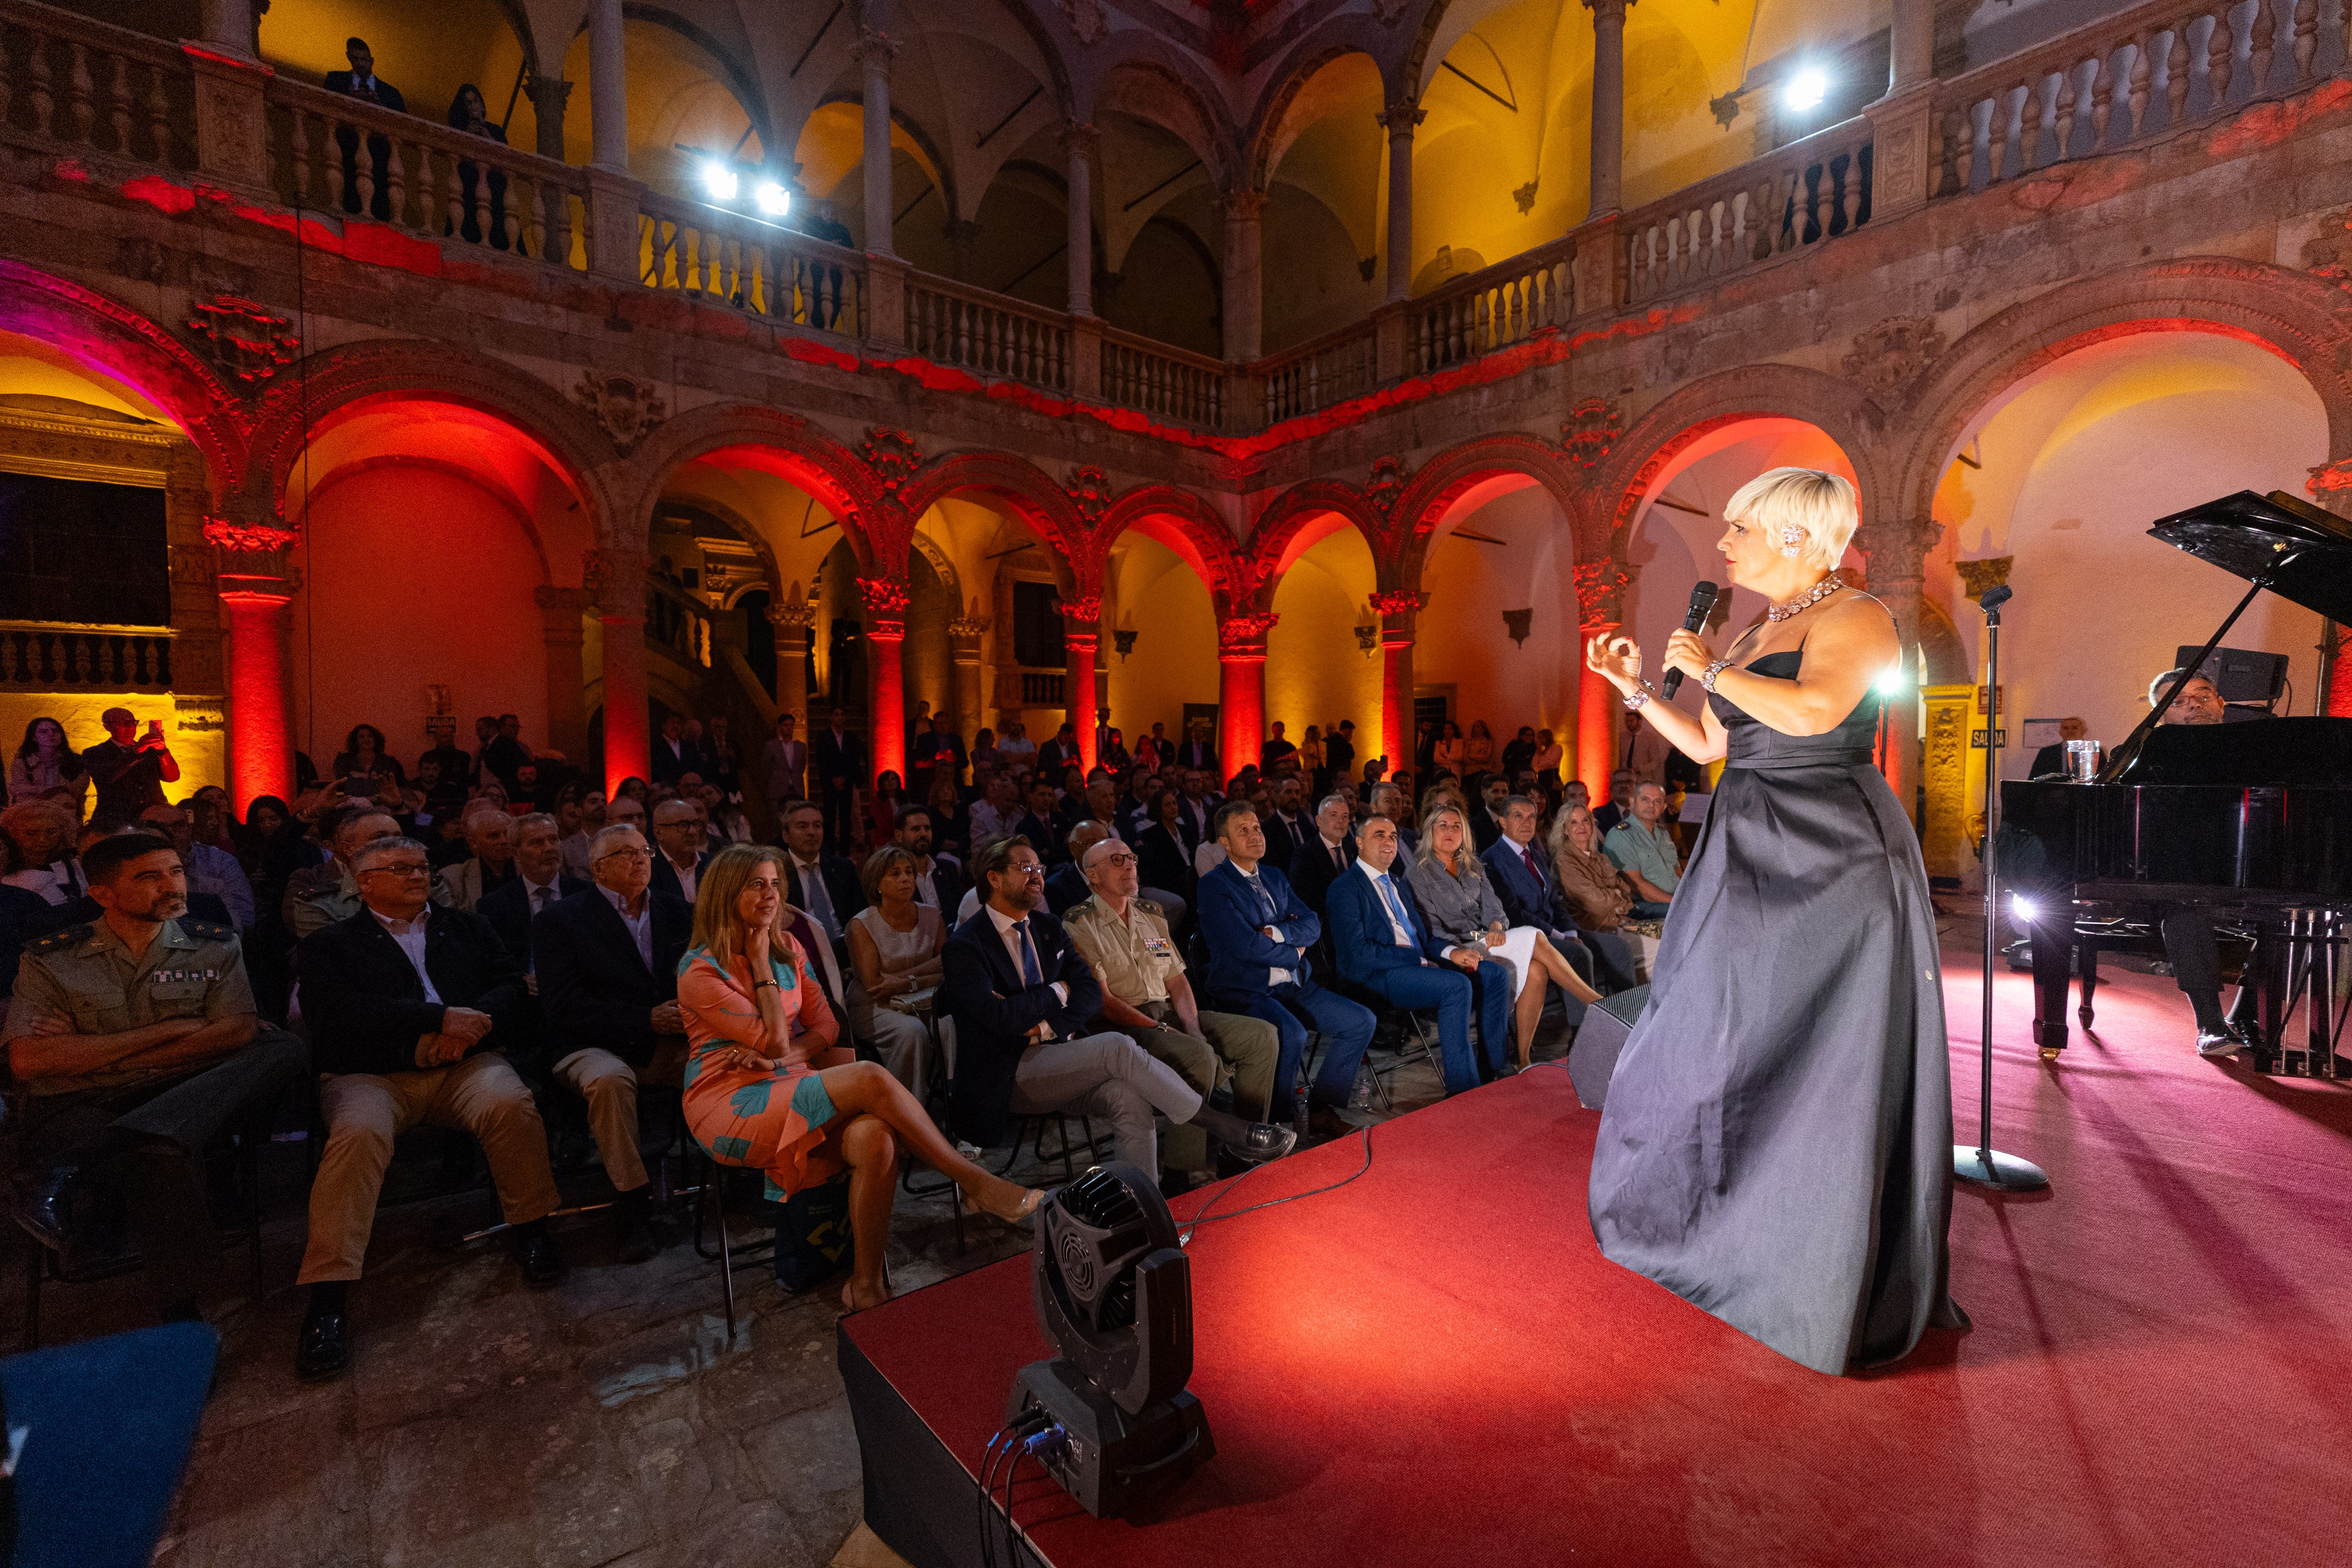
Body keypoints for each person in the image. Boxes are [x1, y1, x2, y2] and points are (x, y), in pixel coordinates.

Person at [1581, 465, 1963, 1375]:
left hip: (1831, 856)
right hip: (1746, 842)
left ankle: (1809, 1270)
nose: (1724, 543)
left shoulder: (1858, 614)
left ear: (1794, 534)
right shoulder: (1758, 626)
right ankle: (1716, 1231)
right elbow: (1714, 742)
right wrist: (1639, 691)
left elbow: (1817, 709)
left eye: (1740, 528)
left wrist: (1709, 667)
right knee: (1706, 1035)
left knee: (1816, 1055)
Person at [680, 844, 1048, 1312]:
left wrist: (783, 1057)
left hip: (786, 1080)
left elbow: (825, 1026)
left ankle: (866, 1285)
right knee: (871, 1075)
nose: (771, 894)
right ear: (725, 892)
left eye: (775, 884)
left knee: (876, 1138)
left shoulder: (789, 947)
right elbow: (772, 1039)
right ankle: (974, 1181)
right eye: (757, 884)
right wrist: (759, 964)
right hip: (729, 1099)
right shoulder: (699, 969)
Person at [4, 833, 307, 1325]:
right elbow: (29, 1061)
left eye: (176, 871)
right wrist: (168, 1030)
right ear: (102, 893)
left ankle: (176, 1302)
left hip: (177, 1093)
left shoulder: (213, 945)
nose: (172, 886)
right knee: (165, 1143)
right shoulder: (51, 958)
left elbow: (235, 1030)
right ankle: (182, 1309)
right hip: (80, 1106)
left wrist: (88, 1048)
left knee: (280, 1048)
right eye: (149, 876)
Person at [293, 835, 563, 1380]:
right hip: (373, 1073)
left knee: (510, 1102)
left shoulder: (466, 927)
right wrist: (431, 1025)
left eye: (422, 866)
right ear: (365, 882)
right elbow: (338, 1018)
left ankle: (532, 1229)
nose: (418, 875)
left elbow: (511, 988)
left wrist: (467, 1028)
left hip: (462, 1063)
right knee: (358, 1134)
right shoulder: (331, 945)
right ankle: (328, 1293)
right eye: (401, 868)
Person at [943, 836, 1292, 1182]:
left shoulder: (1047, 928)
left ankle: (1143, 1201)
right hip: (1009, 1071)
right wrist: (1058, 990)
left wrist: (1044, 1023)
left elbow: (1087, 997)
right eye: (1024, 867)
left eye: (1038, 867)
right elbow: (1000, 1019)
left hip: (1062, 1051)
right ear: (994, 878)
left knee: (1129, 1097)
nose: (1036, 875)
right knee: (1117, 1046)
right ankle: (1224, 1127)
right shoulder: (965, 945)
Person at [533, 822, 692, 1263]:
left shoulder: (678, 910)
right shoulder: (560, 921)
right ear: (598, 868)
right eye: (626, 853)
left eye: (644, 851)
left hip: (668, 1039)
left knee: (727, 1059)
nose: (640, 859)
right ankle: (633, 1204)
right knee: (609, 1082)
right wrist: (645, 1019)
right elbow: (564, 1005)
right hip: (591, 1042)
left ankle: (741, 1170)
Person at [1066, 837, 1282, 1146]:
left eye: (1131, 858)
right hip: (1124, 1027)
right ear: (1093, 874)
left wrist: (1192, 1027)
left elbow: (1177, 980)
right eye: (1116, 860)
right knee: (1198, 1056)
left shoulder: (1151, 914)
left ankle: (1242, 1144)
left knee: (1262, 1035)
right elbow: (1104, 1002)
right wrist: (1164, 1029)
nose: (1129, 865)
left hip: (1167, 1014)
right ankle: (1185, 1165)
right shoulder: (1080, 923)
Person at [1196, 801, 1375, 1138]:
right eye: (1243, 831)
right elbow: (1247, 947)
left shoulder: (1275, 876)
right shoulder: (1214, 886)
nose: (1255, 835)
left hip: (1293, 985)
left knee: (1360, 1021)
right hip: (1246, 990)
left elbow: (1312, 923)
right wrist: (1294, 952)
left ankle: (1320, 1108)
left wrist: (1277, 933)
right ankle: (1278, 1124)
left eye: (1257, 828)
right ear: (1225, 842)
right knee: (1291, 1033)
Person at [1328, 814, 1512, 1095]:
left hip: (1417, 963)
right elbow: (1358, 954)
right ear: (1360, 842)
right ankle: (1463, 1089)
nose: (1389, 842)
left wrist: (1452, 952)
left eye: (1393, 836)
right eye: (1380, 835)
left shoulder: (1396, 883)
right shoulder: (1345, 888)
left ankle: (1493, 1070)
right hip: (1376, 975)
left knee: (1494, 974)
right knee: (1456, 986)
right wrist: (1418, 960)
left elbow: (1423, 938)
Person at [1409, 801, 1598, 1071]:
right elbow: (1430, 929)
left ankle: (1523, 1060)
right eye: (1443, 826)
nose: (1450, 831)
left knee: (1537, 971)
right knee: (1534, 935)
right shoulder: (1418, 872)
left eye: (1456, 826)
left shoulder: (1473, 865)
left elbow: (1494, 907)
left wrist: (1497, 926)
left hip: (1487, 938)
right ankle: (1596, 1003)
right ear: (1430, 831)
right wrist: (1473, 941)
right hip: (1454, 947)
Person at [847, 845, 947, 1099]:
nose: (906, 879)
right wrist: (930, 970)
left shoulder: (932, 915)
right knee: (911, 1032)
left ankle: (952, 1098)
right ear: (877, 884)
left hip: (929, 998)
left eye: (909, 872)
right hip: (875, 1005)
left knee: (952, 1024)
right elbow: (876, 986)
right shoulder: (861, 925)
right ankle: (906, 1105)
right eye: (895, 874)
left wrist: (909, 980)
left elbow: (948, 968)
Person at [1482, 794, 1612, 992]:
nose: (1527, 823)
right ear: (1503, 822)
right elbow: (1513, 913)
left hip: (1557, 930)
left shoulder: (1535, 853)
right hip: (1530, 936)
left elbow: (1554, 901)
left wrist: (1570, 931)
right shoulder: (1492, 859)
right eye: (1519, 816)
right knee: (1579, 955)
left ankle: (1632, 1008)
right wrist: (1560, 936)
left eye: (1532, 817)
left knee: (1617, 948)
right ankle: (1589, 1012)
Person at [1547, 803, 1645, 993]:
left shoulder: (1599, 857)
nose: (1581, 827)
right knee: (1656, 948)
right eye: (1573, 822)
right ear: (1565, 829)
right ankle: (1634, 1002)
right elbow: (1595, 905)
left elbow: (1625, 890)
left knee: (1668, 938)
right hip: (1596, 929)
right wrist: (1617, 898)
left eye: (1585, 821)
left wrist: (1616, 900)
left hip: (1621, 921)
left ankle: (1641, 1000)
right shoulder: (1565, 860)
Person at [475, 812, 587, 970]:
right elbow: (496, 963)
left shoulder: (587, 894)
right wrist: (522, 978)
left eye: (553, 839)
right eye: (536, 843)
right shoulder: (495, 905)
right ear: (516, 853)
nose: (549, 848)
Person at [322, 36, 406, 221]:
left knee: (380, 203)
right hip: (348, 152)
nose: (361, 64)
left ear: (372, 61)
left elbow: (403, 125)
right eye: (356, 59)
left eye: (364, 59)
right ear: (348, 58)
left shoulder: (390, 94)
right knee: (351, 198)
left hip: (380, 158)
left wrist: (379, 105)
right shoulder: (336, 82)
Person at [138, 803, 256, 932]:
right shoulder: (131, 866)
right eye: (158, 827)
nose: (170, 833)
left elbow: (242, 921)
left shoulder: (221, 862)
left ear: (189, 829)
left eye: (179, 825)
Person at [83, 708, 179, 826]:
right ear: (107, 727)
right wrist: (136, 751)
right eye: (121, 724)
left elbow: (172, 777)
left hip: (154, 819)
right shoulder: (94, 752)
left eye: (132, 723)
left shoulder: (149, 750)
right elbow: (106, 777)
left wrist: (163, 751)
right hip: (116, 820)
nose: (129, 727)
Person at [1603, 783, 1681, 917]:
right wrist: (1678, 903)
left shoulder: (1663, 832)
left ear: (1664, 807)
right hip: (1642, 905)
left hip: (1674, 900)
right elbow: (1637, 886)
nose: (1651, 805)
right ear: (1632, 802)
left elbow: (1678, 872)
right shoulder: (1620, 835)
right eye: (1645, 799)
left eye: (1657, 801)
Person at [1287, 790, 1357, 919]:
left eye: (1345, 816)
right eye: (1334, 815)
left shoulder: (1353, 849)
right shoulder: (1304, 855)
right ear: (1319, 821)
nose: (1341, 821)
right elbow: (1307, 899)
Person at [2, 800, 85, 906]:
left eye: (52, 832)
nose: (42, 839)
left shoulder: (74, 863)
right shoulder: (7, 873)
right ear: (13, 833)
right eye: (31, 833)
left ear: (63, 831)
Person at [436, 808, 518, 912]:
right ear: (473, 843)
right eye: (493, 836)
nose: (504, 841)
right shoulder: (453, 878)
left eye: (507, 834)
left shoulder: (530, 869)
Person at [891, 803, 965, 913]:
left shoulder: (948, 869)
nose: (923, 834)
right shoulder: (893, 877)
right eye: (916, 829)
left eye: (927, 828)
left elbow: (961, 913)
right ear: (899, 836)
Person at [811, 706, 864, 852]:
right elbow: (821, 760)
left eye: (842, 715)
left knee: (846, 817)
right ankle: (829, 850)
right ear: (831, 717)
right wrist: (833, 779)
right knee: (830, 817)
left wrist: (845, 779)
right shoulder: (823, 736)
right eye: (837, 715)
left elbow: (854, 761)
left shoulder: (851, 737)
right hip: (830, 782)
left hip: (846, 782)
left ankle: (845, 851)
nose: (840, 718)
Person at [11, 716, 89, 814]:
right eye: (44, 732)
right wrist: (53, 791)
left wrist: (38, 791)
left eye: (55, 731)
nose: (51, 735)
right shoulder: (22, 763)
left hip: (66, 815)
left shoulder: (75, 761)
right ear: (34, 737)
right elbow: (20, 792)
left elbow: (77, 789)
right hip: (33, 815)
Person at [649, 797, 711, 904]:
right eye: (683, 825)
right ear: (659, 833)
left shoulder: (713, 864)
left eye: (695, 824)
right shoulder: (647, 869)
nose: (693, 832)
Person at [2027, 715, 2090, 779]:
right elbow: (2034, 778)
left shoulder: (2091, 752)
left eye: (2075, 728)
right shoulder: (2046, 753)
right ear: (2060, 732)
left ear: (2083, 731)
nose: (2070, 731)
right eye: (2066, 728)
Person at [1591, 768, 1638, 836]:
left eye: (1629, 782)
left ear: (1637, 787)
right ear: (1611, 789)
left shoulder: (1646, 811)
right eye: (1619, 783)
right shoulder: (1599, 815)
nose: (1624, 786)